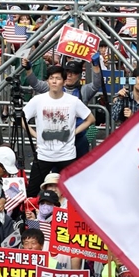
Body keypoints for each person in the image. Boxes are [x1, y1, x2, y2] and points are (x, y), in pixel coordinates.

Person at [23, 67, 94, 197]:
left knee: (73, 193)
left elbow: (90, 119)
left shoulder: (73, 101)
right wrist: (35, 135)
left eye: (58, 78)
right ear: (47, 81)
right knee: (32, 192)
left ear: (64, 81)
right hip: (43, 154)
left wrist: (74, 132)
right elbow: (22, 118)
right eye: (51, 78)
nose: (54, 81)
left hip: (67, 155)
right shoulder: (38, 100)